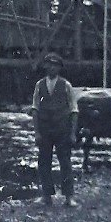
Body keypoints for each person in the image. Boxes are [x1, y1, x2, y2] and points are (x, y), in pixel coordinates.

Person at [30, 52, 79, 207]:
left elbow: (74, 110)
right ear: (45, 66)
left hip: (62, 129)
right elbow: (35, 109)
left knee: (65, 162)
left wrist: (72, 133)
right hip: (45, 129)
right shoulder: (39, 85)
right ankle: (46, 196)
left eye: (55, 65)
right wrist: (36, 132)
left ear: (59, 68)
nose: (52, 67)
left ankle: (69, 197)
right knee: (44, 162)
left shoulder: (66, 85)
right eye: (49, 64)